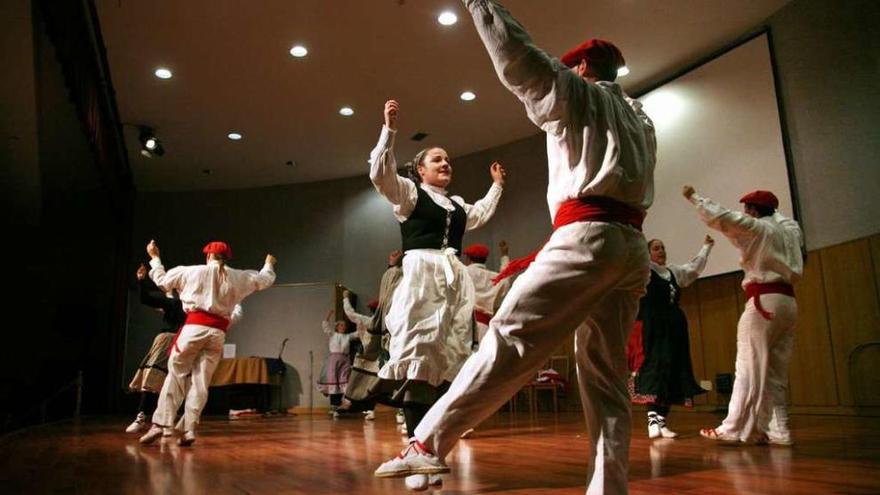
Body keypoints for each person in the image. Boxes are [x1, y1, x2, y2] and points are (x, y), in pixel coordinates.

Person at [374, 2, 656, 494]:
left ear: (583, 68)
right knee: (606, 374)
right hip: (630, 249)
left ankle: (427, 443)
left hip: (586, 237)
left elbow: (519, 58)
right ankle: (609, 487)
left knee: (509, 338)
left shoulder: (579, 95)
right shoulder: (641, 119)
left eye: (572, 69)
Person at [369, 98, 505, 490]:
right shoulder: (410, 195)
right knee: (418, 359)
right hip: (421, 276)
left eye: (449, 161)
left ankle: (429, 451)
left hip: (453, 281)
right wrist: (390, 131)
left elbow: (479, 213)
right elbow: (381, 175)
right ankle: (415, 452)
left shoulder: (458, 205)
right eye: (438, 160)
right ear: (421, 169)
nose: (446, 164)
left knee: (448, 362)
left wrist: (496, 187)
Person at [683, 186, 803, 446]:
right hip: (788, 302)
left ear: (755, 211)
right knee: (775, 372)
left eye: (748, 208)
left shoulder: (760, 228)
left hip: (763, 302)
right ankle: (777, 430)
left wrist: (695, 198)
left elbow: (724, 218)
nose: (744, 212)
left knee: (747, 366)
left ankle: (732, 428)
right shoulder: (789, 228)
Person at [139, 240, 276, 446]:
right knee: (200, 382)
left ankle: (161, 424)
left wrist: (155, 257)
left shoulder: (192, 272)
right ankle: (189, 429)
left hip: (194, 329)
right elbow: (264, 280)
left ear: (208, 256)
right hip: (217, 334)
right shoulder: (238, 276)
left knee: (176, 375)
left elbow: (162, 280)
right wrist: (269, 264)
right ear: (226, 257)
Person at [627, 236, 714, 438]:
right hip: (653, 325)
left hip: (674, 325)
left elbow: (694, 268)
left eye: (663, 247)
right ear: (648, 253)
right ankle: (652, 418)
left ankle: (662, 421)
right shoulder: (646, 271)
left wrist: (706, 247)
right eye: (656, 248)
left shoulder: (674, 272)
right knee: (654, 366)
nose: (661, 251)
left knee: (674, 368)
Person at [125, 263, 186, 433]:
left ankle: (167, 417)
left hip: (185, 342)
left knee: (176, 381)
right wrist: (142, 281)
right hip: (168, 340)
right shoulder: (174, 303)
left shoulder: (193, 304)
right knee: (153, 377)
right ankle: (142, 416)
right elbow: (148, 299)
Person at [462, 241, 511, 344]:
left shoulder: (463, 272)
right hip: (484, 325)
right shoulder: (494, 278)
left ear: (468, 258)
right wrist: (504, 255)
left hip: (464, 324)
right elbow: (506, 277)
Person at [317, 310, 359, 415]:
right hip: (334, 360)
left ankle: (342, 406)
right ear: (337, 327)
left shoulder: (347, 336)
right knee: (333, 381)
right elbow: (325, 326)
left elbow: (358, 333)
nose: (343, 327)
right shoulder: (332, 335)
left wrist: (359, 322)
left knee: (343, 381)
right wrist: (329, 314)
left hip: (344, 360)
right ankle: (333, 406)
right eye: (340, 326)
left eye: (344, 326)